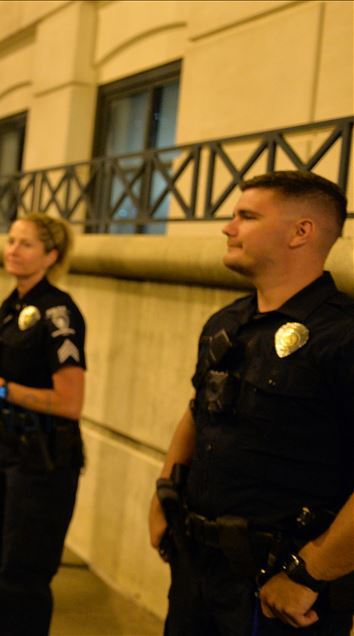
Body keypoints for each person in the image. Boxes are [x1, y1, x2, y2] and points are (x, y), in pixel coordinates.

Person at [149, 170, 354, 635]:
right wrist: (163, 492)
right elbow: (198, 409)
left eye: (247, 216)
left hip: (281, 592)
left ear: (301, 232)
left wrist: (309, 574)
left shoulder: (342, 336)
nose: (228, 227)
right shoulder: (229, 321)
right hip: (198, 571)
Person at [0, 213, 86, 636]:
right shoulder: (14, 304)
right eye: (11, 240)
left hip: (44, 457)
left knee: (24, 571)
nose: (13, 249)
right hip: (7, 448)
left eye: (27, 244)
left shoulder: (58, 311)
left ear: (51, 255)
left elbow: (70, 402)